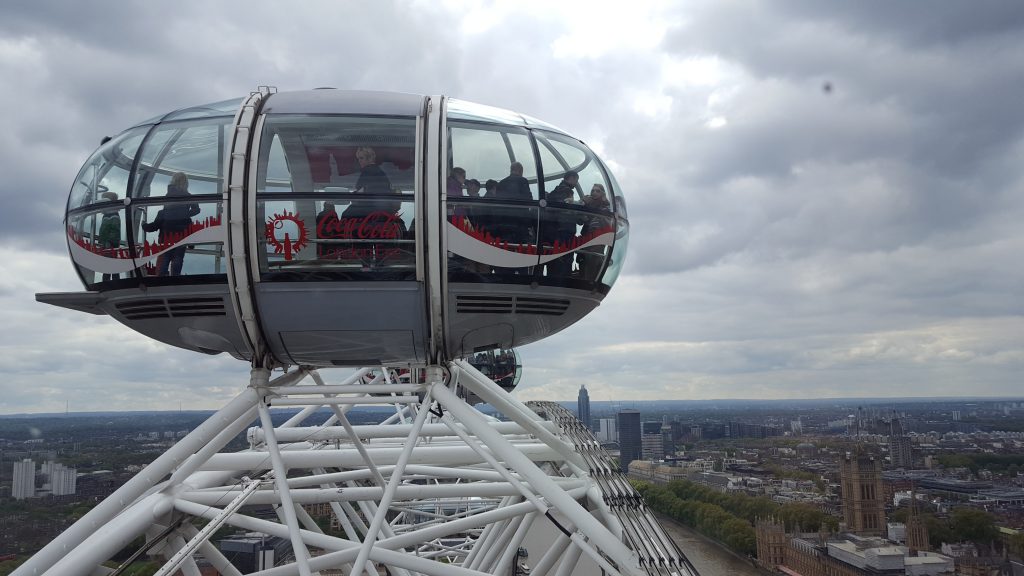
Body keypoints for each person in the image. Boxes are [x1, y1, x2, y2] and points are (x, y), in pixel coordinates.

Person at [142, 172, 199, 276]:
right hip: (182, 236)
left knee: (165, 257)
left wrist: (145, 226)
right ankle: (175, 278)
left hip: (166, 235)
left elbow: (157, 224)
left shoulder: (168, 196)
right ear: (186, 183)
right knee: (178, 259)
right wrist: (184, 214)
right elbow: (197, 210)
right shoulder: (188, 196)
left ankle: (163, 279)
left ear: (173, 181)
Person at [542, 171, 580, 277]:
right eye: (576, 180)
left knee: (555, 260)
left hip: (555, 231)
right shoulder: (567, 191)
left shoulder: (555, 191)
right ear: (571, 178)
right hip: (566, 229)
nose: (576, 183)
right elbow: (566, 210)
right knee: (565, 259)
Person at [343, 146, 398, 218]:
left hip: (369, 211)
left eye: (361, 158)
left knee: (346, 216)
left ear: (369, 158)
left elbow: (362, 192)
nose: (359, 161)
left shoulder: (368, 172)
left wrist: (352, 195)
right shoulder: (380, 172)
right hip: (379, 211)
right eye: (358, 158)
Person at [577, 183, 612, 279]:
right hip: (586, 239)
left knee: (593, 263)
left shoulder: (606, 206)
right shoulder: (590, 203)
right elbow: (579, 221)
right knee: (584, 263)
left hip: (597, 240)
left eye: (598, 191)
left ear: (603, 194)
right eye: (593, 190)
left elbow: (607, 222)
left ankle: (590, 282)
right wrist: (583, 204)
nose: (594, 193)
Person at [97, 191, 121, 282]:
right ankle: (114, 282)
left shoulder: (113, 216)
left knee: (109, 265)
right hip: (108, 244)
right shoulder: (109, 215)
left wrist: (106, 242)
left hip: (109, 245)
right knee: (110, 265)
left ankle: (110, 283)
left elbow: (113, 230)